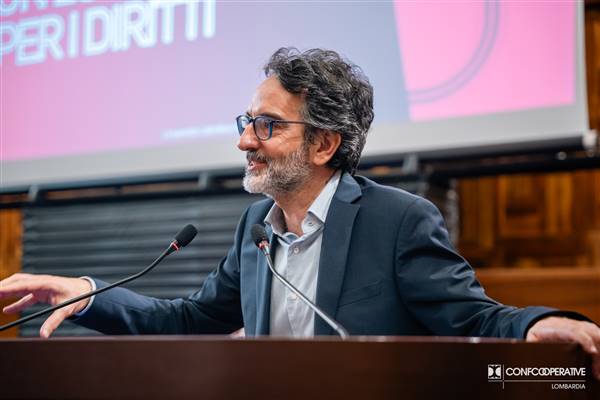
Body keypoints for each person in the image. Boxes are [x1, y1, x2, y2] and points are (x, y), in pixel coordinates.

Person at [1, 47, 599, 379]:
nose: (245, 141)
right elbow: (192, 318)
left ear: (323, 144)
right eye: (247, 123)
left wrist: (536, 326)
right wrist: (90, 295)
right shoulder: (255, 229)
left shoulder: (398, 222)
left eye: (267, 126)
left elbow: (473, 318)